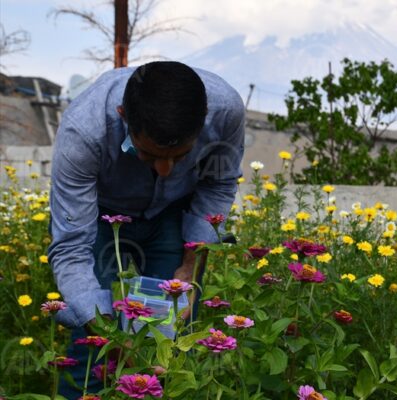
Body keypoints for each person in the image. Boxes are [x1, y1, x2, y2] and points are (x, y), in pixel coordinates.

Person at [47, 61, 244, 398]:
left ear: (204, 119)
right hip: (102, 214)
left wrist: (191, 264)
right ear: (123, 116)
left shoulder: (226, 111)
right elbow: (71, 247)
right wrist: (111, 336)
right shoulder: (85, 130)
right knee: (93, 345)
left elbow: (218, 184)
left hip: (174, 211)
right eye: (149, 154)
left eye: (180, 156)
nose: (166, 170)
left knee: (170, 340)